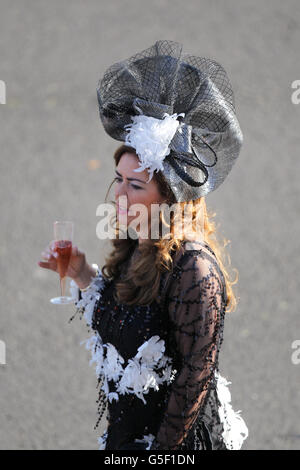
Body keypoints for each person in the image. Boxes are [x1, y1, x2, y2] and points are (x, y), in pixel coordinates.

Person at [38, 40, 248, 450]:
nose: (119, 194)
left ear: (170, 197)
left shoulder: (194, 270)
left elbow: (194, 379)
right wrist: (83, 275)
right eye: (119, 178)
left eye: (135, 185)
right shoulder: (140, 241)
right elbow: (126, 330)